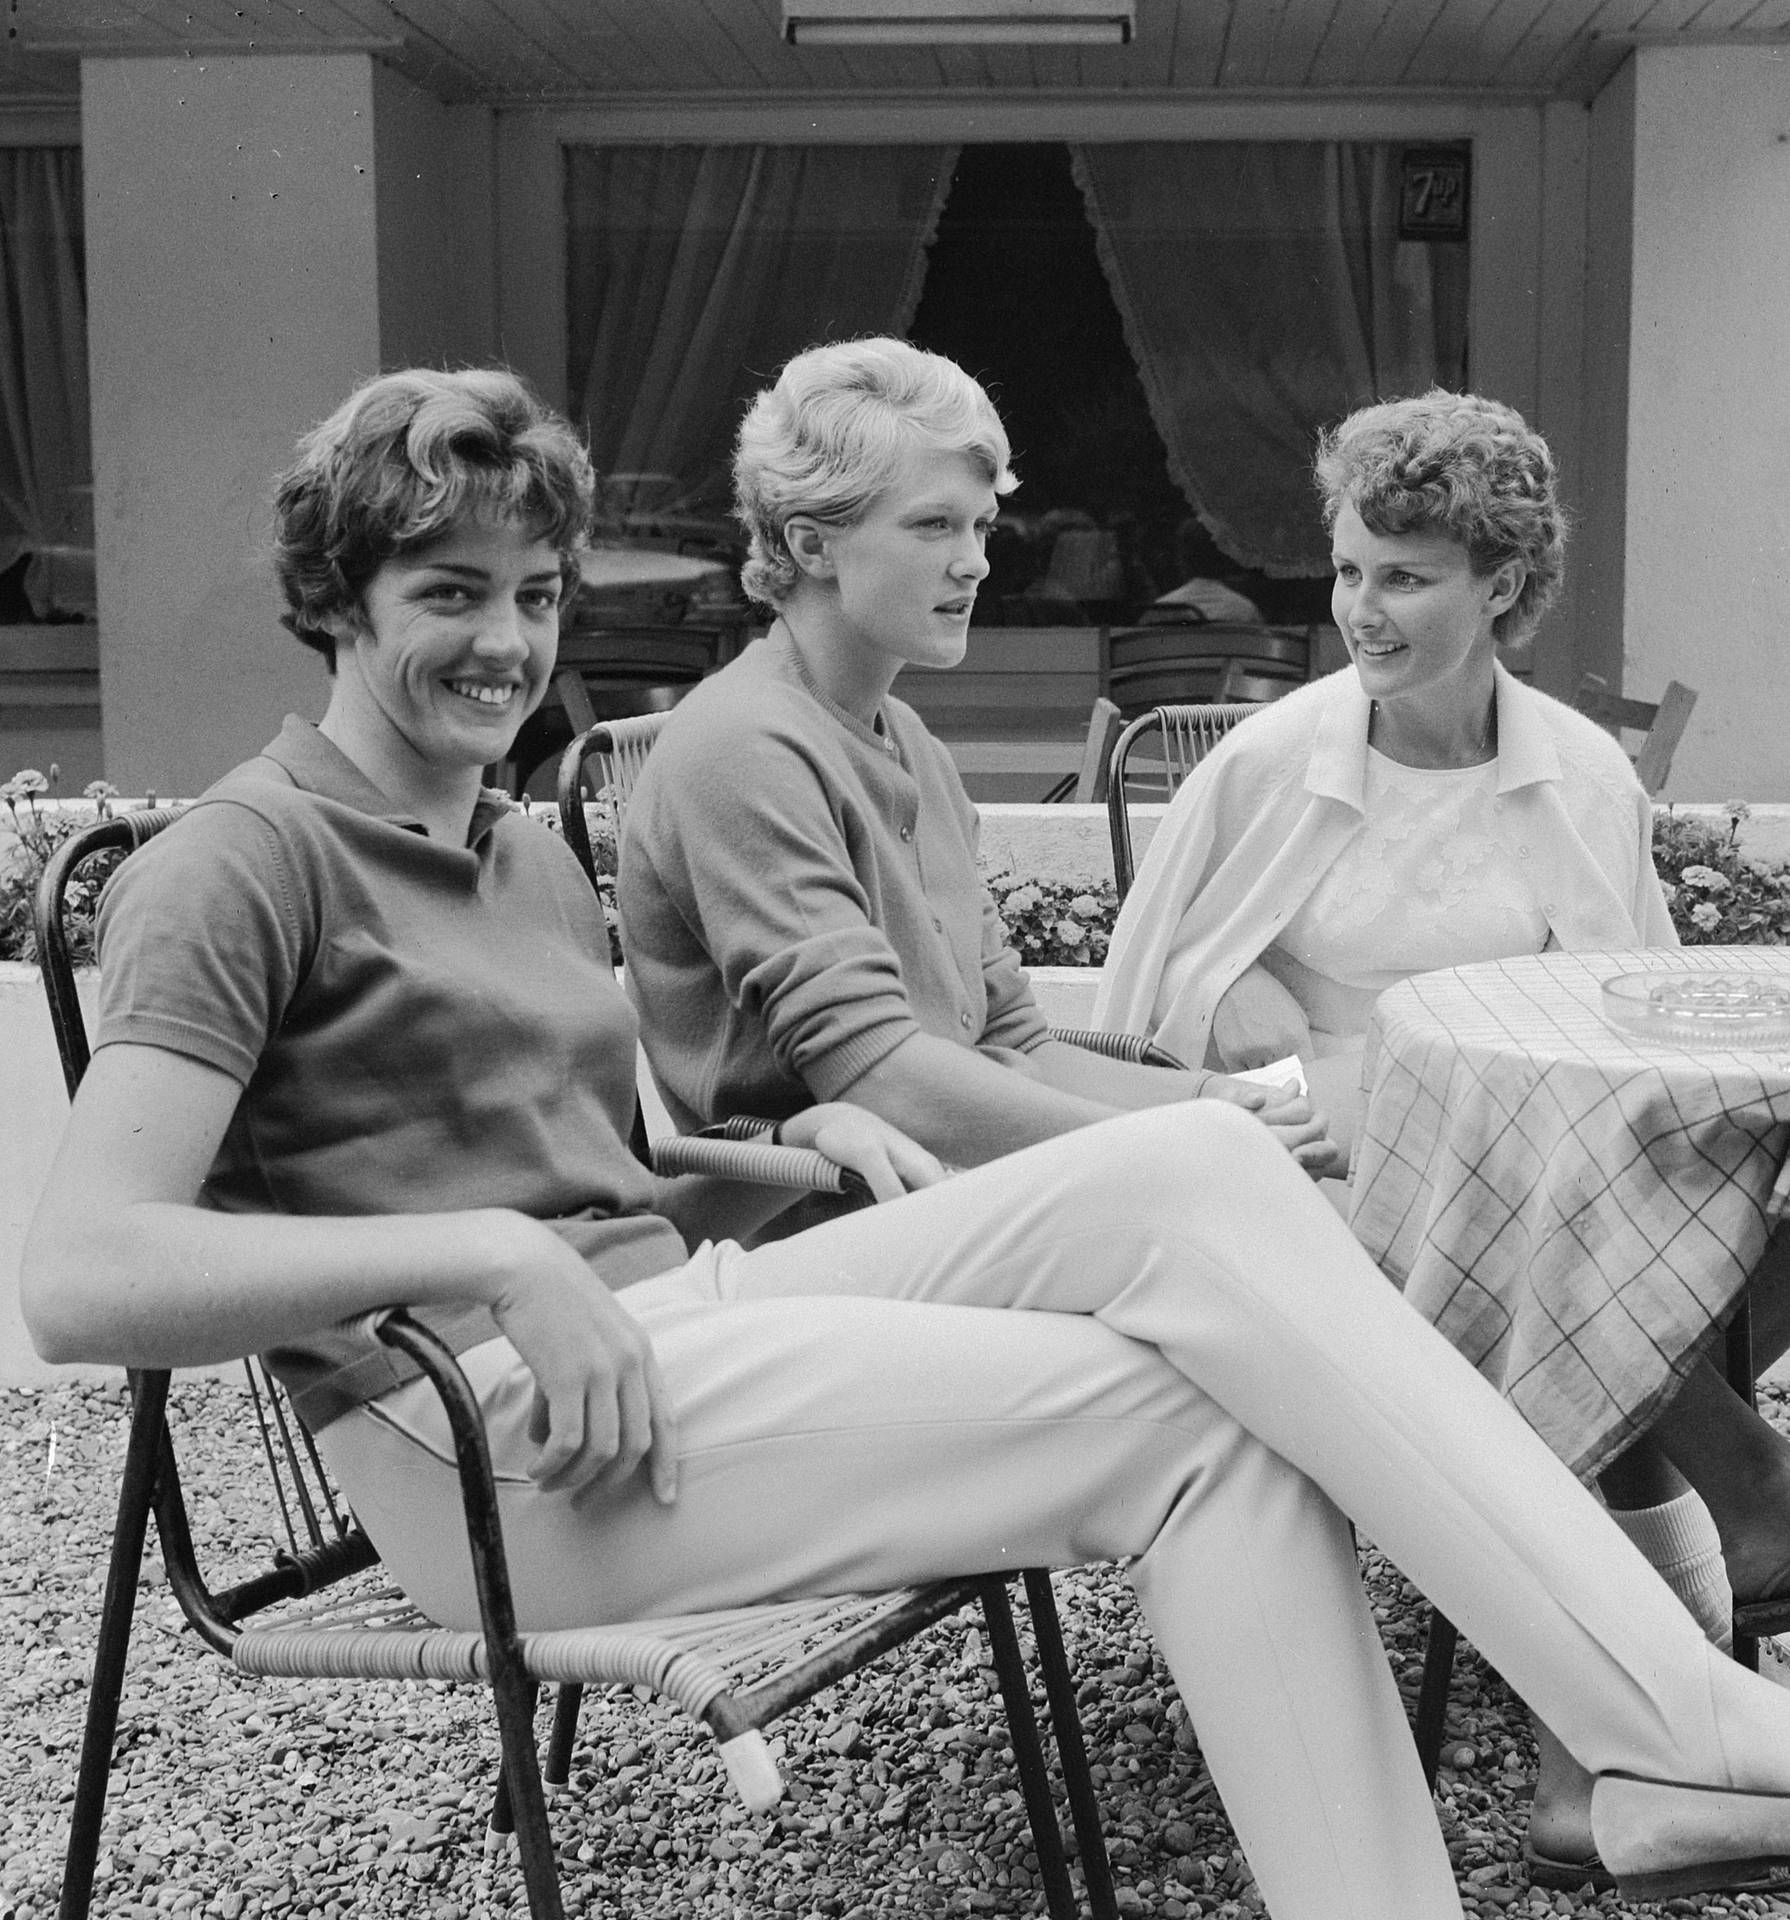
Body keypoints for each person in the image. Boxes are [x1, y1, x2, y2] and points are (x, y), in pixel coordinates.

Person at [30, 364, 1790, 1920]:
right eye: (447, 593)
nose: (507, 639)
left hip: (677, 1313)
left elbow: (615, 1154)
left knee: (1200, 1183)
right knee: (1212, 1413)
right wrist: (490, 1255)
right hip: (495, 1444)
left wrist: (806, 1148)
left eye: (537, 593)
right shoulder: (238, 863)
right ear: (336, 603)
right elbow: (82, 1274)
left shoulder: (514, 844)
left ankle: (1652, 1727)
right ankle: (1667, 1721)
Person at [1092, 387, 1790, 1886]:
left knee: (1629, 1211)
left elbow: (1633, 1007)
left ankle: (1625, 1725)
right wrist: (1289, 1048)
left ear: (1503, 590)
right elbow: (1157, 1007)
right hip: (1321, 1174)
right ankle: (1734, 1522)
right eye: (1348, 570)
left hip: (1532, 1156)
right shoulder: (1267, 769)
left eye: (1404, 576)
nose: (1361, 608)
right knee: (1584, 1247)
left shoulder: (1577, 774)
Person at [617, 336, 1342, 1186]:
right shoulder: (745, 747)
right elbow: (879, 1078)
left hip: (972, 1193)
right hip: (831, 1224)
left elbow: (1017, 1046)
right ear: (811, 547)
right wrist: (1169, 1145)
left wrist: (1214, 1098)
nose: (977, 562)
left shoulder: (911, 744)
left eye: (981, 524)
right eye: (933, 525)